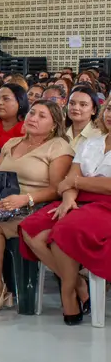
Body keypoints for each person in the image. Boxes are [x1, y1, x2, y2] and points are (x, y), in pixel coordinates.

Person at [0, 100, 72, 312]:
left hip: (34, 208)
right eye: (32, 113)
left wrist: (26, 199)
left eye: (42, 116)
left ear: (54, 124)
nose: (33, 118)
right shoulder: (12, 143)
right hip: (2, 207)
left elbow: (57, 188)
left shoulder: (59, 146)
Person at [19, 100, 111, 325]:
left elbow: (87, 182)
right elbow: (68, 180)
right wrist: (68, 200)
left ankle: (67, 293)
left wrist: (77, 182)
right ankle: (79, 285)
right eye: (109, 109)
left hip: (106, 205)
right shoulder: (91, 142)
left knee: (64, 230)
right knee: (32, 230)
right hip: (77, 198)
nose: (110, 115)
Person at [66, 85, 102, 153]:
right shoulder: (60, 132)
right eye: (72, 103)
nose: (75, 108)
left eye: (83, 104)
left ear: (94, 110)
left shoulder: (99, 136)